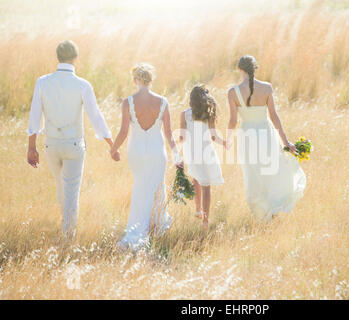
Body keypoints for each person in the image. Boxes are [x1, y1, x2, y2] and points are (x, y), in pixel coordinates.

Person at [26, 40, 113, 239]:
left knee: (61, 186)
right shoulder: (83, 84)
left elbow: (34, 115)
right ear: (76, 58)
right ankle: (68, 237)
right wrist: (110, 143)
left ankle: (65, 228)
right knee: (71, 191)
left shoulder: (43, 82)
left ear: (57, 57)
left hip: (51, 144)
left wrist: (32, 147)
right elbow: (95, 115)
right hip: (74, 145)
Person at [110, 63, 182, 251]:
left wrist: (113, 149)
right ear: (151, 80)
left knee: (143, 188)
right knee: (155, 188)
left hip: (137, 152)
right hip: (157, 152)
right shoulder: (163, 102)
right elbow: (169, 134)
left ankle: (142, 231)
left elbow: (124, 131)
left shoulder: (128, 102)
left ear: (135, 80)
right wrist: (177, 155)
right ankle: (152, 229)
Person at [226, 55, 306, 220]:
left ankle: (263, 213)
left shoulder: (233, 92)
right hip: (267, 134)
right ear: (255, 68)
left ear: (240, 70)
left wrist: (227, 139)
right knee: (272, 171)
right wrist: (285, 141)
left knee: (253, 174)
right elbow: (274, 116)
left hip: (247, 137)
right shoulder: (267, 88)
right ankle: (274, 208)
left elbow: (233, 121)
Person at [180, 85, 226, 229]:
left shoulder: (185, 114)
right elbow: (213, 137)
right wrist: (224, 142)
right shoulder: (208, 114)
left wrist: (174, 145)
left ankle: (198, 209)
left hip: (192, 153)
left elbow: (182, 137)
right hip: (207, 152)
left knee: (196, 179)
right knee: (206, 187)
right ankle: (205, 220)